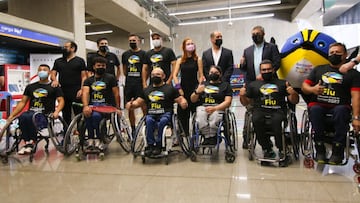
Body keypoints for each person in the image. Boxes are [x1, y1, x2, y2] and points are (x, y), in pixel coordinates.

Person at [301, 42, 360, 164]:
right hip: (319, 104)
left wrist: (356, 118)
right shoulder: (319, 69)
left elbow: (356, 96)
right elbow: (304, 86)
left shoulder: (353, 74)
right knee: (315, 110)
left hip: (340, 106)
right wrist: (312, 89)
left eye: (338, 52)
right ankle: (320, 148)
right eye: (332, 52)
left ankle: (337, 151)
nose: (334, 54)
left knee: (341, 111)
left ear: (345, 55)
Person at [240, 60, 299, 158]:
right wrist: (242, 96)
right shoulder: (253, 85)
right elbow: (245, 103)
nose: (266, 71)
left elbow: (294, 101)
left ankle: (281, 149)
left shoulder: (283, 83)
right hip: (260, 110)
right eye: (264, 70)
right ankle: (266, 148)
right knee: (256, 119)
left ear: (273, 70)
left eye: (268, 69)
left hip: (278, 110)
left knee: (277, 121)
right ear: (260, 71)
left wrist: (293, 93)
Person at [126, 68, 187, 156]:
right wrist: (131, 105)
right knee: (149, 120)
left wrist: (183, 102)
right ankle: (150, 145)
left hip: (165, 113)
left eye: (158, 74)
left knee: (163, 121)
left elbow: (180, 99)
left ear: (163, 76)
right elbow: (138, 102)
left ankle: (159, 145)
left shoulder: (170, 89)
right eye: (153, 75)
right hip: (151, 113)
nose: (155, 76)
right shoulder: (147, 90)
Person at [7, 64, 64, 155]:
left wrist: (57, 112)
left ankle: (31, 142)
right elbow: (22, 102)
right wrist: (12, 115)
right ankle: (27, 142)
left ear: (49, 72)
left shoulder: (54, 87)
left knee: (31, 117)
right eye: (40, 70)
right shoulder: (30, 87)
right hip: (32, 112)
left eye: (44, 70)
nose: (42, 71)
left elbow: (61, 101)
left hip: (45, 115)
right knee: (23, 116)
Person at [240, 25, 281, 149]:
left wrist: (265, 75)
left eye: (257, 33)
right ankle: (247, 137)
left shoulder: (272, 47)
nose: (255, 36)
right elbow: (244, 69)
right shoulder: (247, 50)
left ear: (263, 34)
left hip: (270, 83)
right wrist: (242, 64)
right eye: (253, 34)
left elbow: (277, 63)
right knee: (251, 110)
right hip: (253, 84)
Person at [82, 57, 122, 149]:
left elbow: (116, 94)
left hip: (106, 106)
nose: (101, 67)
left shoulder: (110, 78)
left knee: (96, 116)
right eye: (98, 65)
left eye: (103, 65)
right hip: (93, 106)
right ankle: (91, 138)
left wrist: (118, 108)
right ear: (94, 67)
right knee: (87, 114)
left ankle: (100, 138)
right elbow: (85, 93)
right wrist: (85, 106)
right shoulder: (88, 80)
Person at [190, 65, 233, 145]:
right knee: (200, 116)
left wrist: (215, 108)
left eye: (216, 72)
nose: (213, 74)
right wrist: (197, 92)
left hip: (218, 107)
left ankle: (213, 136)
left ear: (220, 74)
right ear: (208, 73)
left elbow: (228, 102)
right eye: (211, 72)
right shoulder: (202, 85)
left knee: (215, 117)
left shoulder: (225, 86)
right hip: (203, 107)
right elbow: (193, 100)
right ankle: (207, 137)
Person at [173, 37, 204, 137]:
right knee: (182, 114)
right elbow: (174, 75)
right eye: (188, 44)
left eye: (192, 43)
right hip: (183, 89)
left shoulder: (198, 59)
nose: (190, 45)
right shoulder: (180, 60)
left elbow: (201, 75)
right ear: (184, 47)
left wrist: (199, 87)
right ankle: (184, 133)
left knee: (195, 112)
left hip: (194, 88)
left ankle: (196, 135)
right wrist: (179, 88)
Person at [51, 41, 87, 125]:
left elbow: (84, 76)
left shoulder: (80, 61)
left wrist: (82, 89)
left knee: (79, 113)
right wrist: (55, 80)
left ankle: (81, 134)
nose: (64, 48)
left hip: (76, 91)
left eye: (66, 47)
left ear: (72, 48)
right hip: (63, 91)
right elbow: (53, 73)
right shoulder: (58, 61)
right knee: (65, 114)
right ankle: (66, 135)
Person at [121, 34, 147, 134]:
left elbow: (146, 69)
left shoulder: (144, 54)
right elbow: (124, 70)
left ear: (138, 41)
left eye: (134, 40)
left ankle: (146, 126)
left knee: (143, 105)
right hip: (129, 84)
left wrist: (144, 81)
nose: (132, 42)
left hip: (140, 84)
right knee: (130, 107)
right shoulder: (125, 54)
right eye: (130, 41)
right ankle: (133, 129)